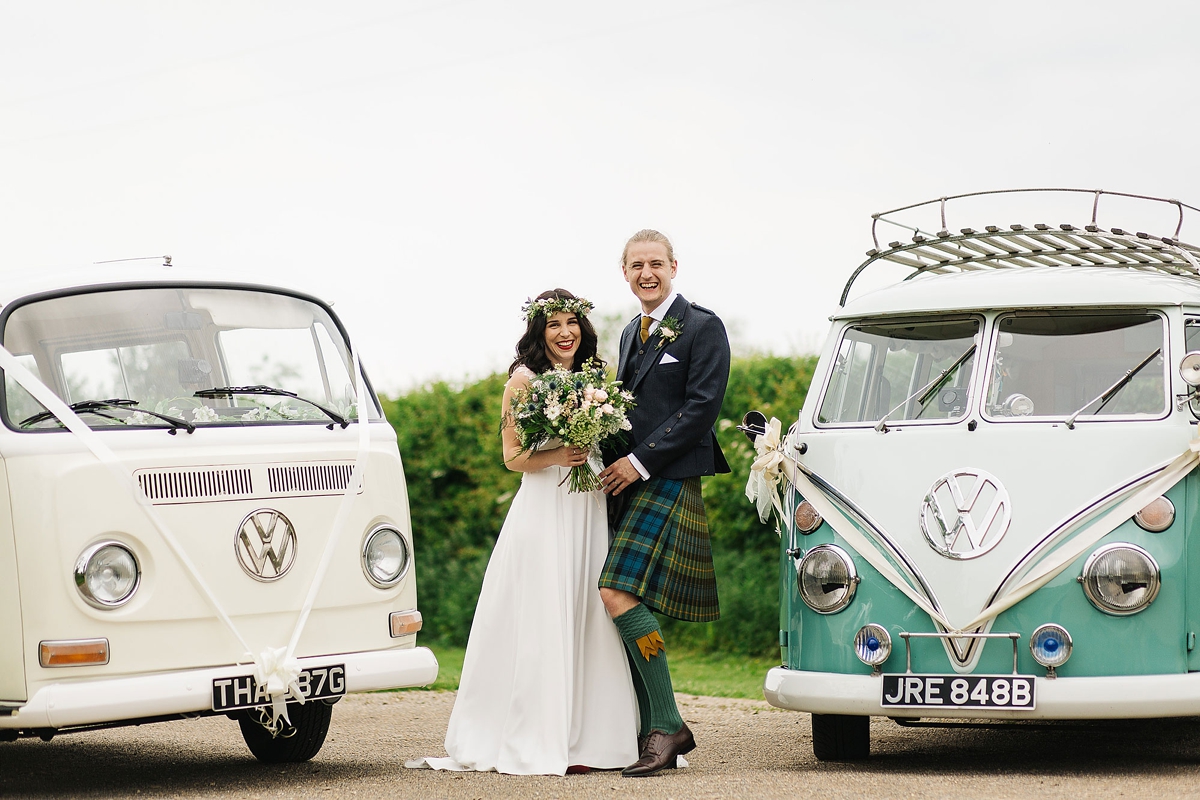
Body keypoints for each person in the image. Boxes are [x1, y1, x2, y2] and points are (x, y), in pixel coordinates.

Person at [410, 289, 639, 775]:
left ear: (583, 329)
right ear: (539, 332)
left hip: (587, 504)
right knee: (542, 610)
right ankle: (535, 733)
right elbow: (512, 457)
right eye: (553, 324)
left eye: (571, 322)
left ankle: (590, 738)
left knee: (585, 609)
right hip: (544, 506)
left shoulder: (591, 379)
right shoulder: (522, 381)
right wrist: (560, 455)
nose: (564, 332)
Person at [598, 229, 731, 778]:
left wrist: (640, 463)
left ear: (674, 266)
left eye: (655, 263)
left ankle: (667, 724)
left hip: (668, 477)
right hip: (631, 480)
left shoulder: (703, 326)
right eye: (636, 265)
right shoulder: (632, 330)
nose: (646, 273)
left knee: (617, 591)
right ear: (624, 273)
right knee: (621, 596)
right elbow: (626, 411)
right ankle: (655, 726)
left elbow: (701, 409)